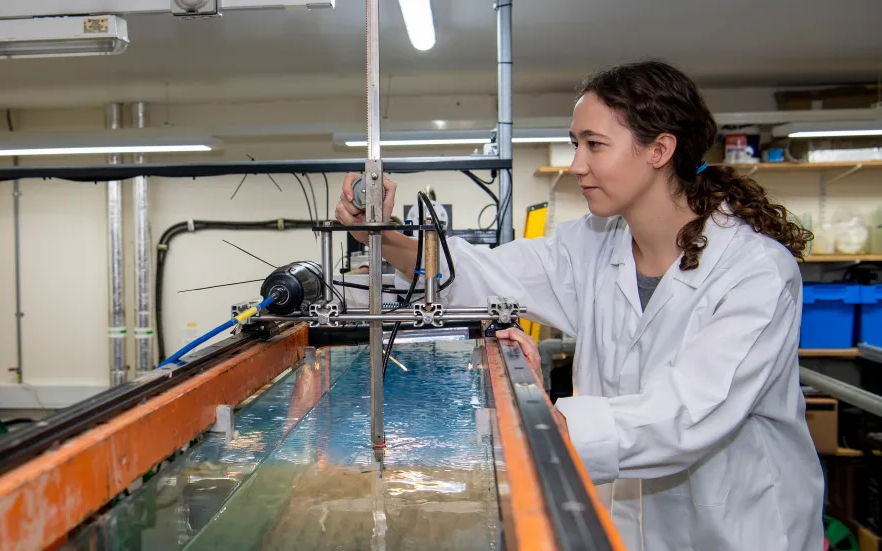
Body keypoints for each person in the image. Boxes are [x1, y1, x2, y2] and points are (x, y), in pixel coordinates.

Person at [335, 60, 824, 550]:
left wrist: (539, 418)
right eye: (576, 144)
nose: (576, 165)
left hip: (741, 532)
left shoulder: (755, 271)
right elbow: (485, 273)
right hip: (623, 526)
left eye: (594, 144)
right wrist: (382, 236)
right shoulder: (593, 243)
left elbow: (688, 414)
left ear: (659, 149)